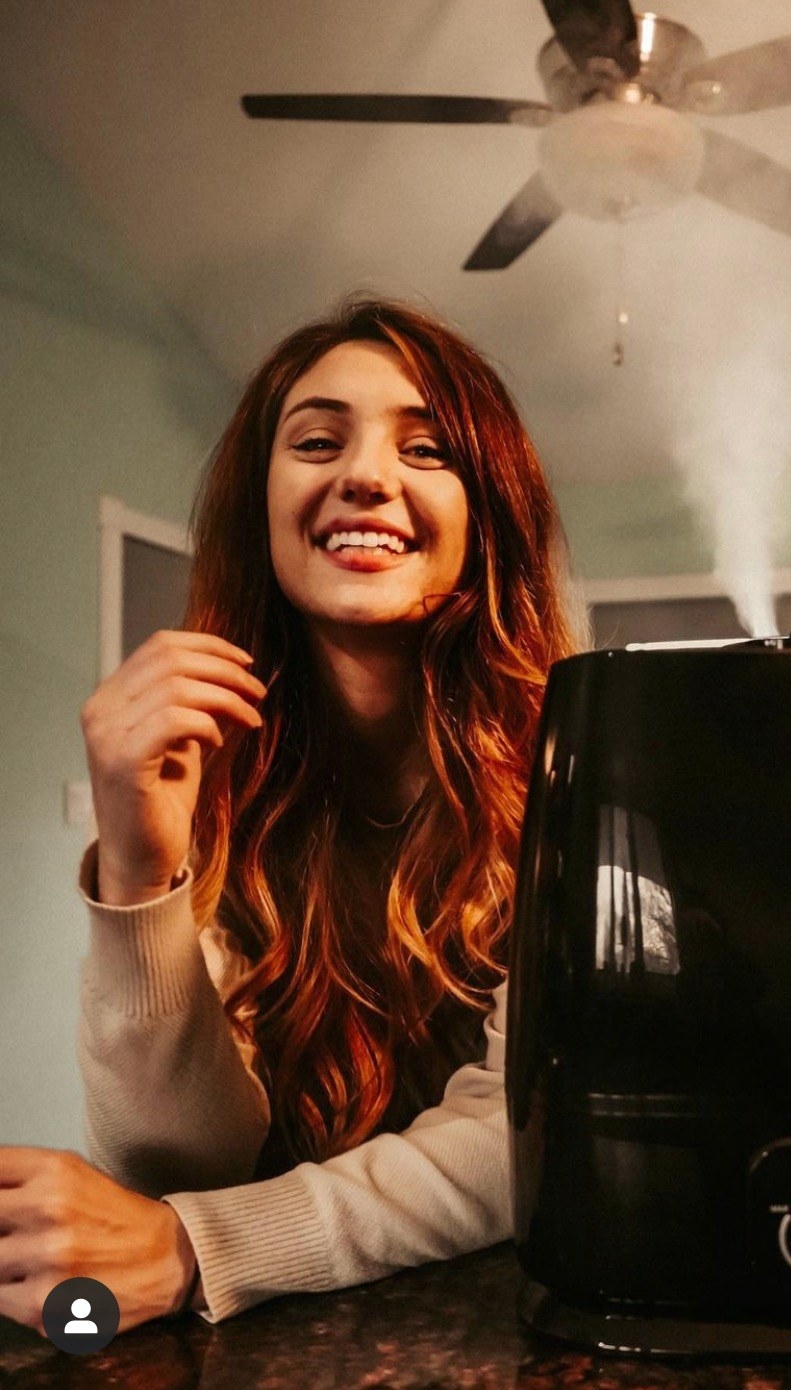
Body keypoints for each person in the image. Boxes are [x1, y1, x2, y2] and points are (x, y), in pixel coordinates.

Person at [0, 298, 583, 1335]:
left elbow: (520, 1132)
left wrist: (195, 1247)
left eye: (427, 447)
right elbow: (178, 1160)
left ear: (489, 508)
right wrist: (138, 873)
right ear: (258, 505)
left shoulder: (574, 772)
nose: (364, 474)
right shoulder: (208, 773)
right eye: (317, 440)